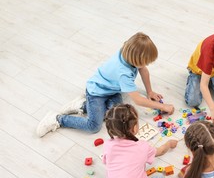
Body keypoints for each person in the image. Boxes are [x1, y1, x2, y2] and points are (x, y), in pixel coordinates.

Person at [36, 32, 174, 137]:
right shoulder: (123, 72)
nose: (146, 65)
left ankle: (82, 106)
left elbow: (143, 70)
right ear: (135, 59)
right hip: (96, 93)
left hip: (112, 90)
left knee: (117, 118)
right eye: (145, 62)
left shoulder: (128, 50)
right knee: (94, 126)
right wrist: (163, 106)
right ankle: (58, 119)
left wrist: (150, 92)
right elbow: (137, 100)